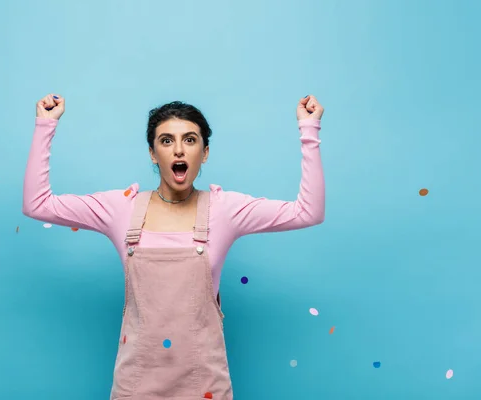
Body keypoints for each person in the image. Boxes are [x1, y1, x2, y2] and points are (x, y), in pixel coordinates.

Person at [23, 93, 325, 400]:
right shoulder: (122, 208)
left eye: (190, 140)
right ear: (153, 154)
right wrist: (45, 124)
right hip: (135, 386)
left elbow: (308, 212)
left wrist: (309, 129)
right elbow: (38, 204)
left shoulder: (224, 209)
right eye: (166, 141)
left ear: (204, 152)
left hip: (204, 385)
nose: (178, 149)